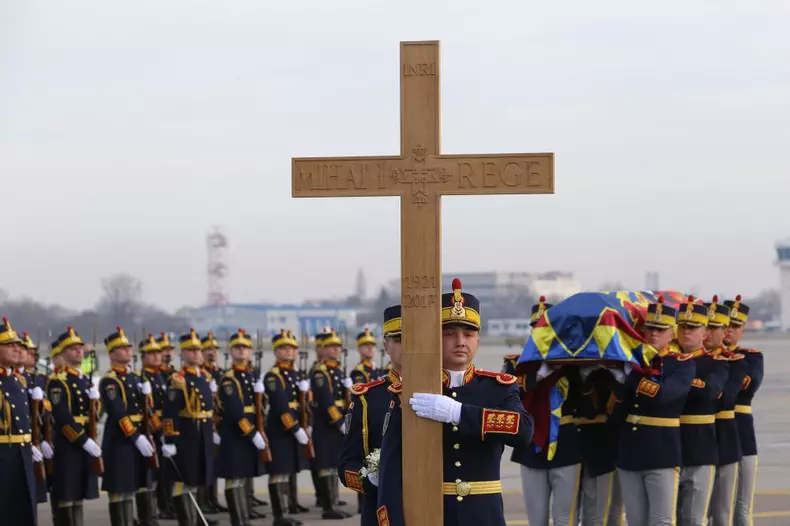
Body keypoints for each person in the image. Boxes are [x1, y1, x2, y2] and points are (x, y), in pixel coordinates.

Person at [376, 278, 534, 526]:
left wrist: (459, 413)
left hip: (485, 515)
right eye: (449, 334)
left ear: (478, 341)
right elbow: (390, 469)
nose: (460, 341)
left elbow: (523, 431)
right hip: (432, 514)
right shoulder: (409, 392)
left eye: (469, 334)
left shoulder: (498, 388)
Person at [616, 296, 696, 526]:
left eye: (660, 330)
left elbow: (663, 395)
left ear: (671, 334)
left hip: (661, 451)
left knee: (661, 520)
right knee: (635, 520)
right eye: (650, 328)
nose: (653, 334)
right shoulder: (633, 361)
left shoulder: (682, 363)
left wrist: (631, 377)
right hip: (630, 451)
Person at [511, 296, 582, 526]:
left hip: (567, 444)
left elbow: (590, 402)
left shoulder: (575, 362)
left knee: (565, 519)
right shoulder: (516, 364)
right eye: (536, 327)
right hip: (533, 445)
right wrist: (538, 375)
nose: (540, 332)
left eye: (545, 327)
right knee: (537, 519)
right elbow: (511, 396)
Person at [338, 305, 403, 526]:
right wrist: (371, 479)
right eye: (399, 339)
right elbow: (346, 466)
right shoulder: (367, 398)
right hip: (381, 512)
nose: (409, 345)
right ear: (386, 345)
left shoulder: (447, 393)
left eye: (415, 338)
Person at [676, 297, 730, 526]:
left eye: (693, 327)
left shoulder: (717, 364)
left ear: (705, 332)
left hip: (700, 448)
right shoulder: (664, 361)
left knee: (693, 519)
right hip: (669, 449)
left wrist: (678, 382)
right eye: (682, 327)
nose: (686, 332)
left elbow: (709, 393)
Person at [98, 327, 156, 526]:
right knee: (119, 490)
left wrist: (148, 397)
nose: (128, 351)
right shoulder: (109, 381)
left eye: (128, 347)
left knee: (135, 487)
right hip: (119, 441)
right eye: (122, 348)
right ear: (112, 354)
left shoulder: (135, 377)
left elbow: (146, 411)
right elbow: (117, 412)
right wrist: (135, 436)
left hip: (138, 436)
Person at [46, 326, 101, 526]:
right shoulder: (58, 382)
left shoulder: (84, 380)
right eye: (72, 348)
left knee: (79, 492)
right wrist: (82, 440)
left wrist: (96, 402)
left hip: (85, 438)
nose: (78, 351)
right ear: (63, 353)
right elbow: (62, 417)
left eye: (79, 347)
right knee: (66, 494)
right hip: (69, 443)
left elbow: (94, 415)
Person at [161, 329, 215, 526]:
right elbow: (169, 413)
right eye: (191, 350)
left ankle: (195, 520)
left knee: (195, 482)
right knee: (182, 483)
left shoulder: (204, 378)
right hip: (185, 438)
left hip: (202, 435)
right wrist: (169, 440)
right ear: (182, 354)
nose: (196, 354)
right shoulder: (178, 380)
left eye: (198, 350)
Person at [216, 328, 270, 526]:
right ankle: (237, 519)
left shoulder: (251, 375)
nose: (242, 351)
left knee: (244, 475)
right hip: (235, 434)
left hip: (250, 432)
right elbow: (234, 412)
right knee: (235, 478)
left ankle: (245, 516)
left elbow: (259, 408)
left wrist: (262, 395)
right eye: (237, 348)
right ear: (231, 352)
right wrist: (252, 432)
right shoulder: (229, 379)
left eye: (245, 348)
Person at [707, 297, 749, 526]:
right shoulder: (690, 361)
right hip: (693, 439)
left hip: (724, 436)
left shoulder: (738, 361)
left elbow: (726, 398)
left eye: (716, 328)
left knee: (724, 513)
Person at [263, 329, 311, 526]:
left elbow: (302, 404)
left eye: (291, 349)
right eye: (283, 349)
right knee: (278, 472)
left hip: (294, 427)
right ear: (276, 351)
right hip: (280, 430)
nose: (288, 352)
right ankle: (278, 514)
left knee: (288, 471)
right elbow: (281, 406)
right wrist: (296, 428)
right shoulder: (273, 376)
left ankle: (286, 510)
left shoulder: (295, 374)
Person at [723, 296, 763, 526]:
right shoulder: (703, 359)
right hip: (714, 435)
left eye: (735, 326)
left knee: (742, 508)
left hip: (743, 436)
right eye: (725, 325)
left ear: (742, 329)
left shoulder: (752, 357)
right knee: (715, 509)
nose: (730, 331)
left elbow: (748, 383)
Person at [310, 329, 354, 519]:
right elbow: (327, 402)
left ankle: (334, 503)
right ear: (324, 349)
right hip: (325, 426)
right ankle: (328, 506)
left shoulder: (336, 371)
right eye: (331, 347)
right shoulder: (321, 373)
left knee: (334, 465)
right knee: (326, 465)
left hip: (336, 425)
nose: (335, 350)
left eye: (337, 347)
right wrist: (339, 421)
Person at [0, 317, 39, 526]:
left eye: (17, 344)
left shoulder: (19, 380)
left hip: (22, 455)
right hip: (3, 458)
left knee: (24, 512)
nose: (17, 349)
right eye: (9, 345)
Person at [19, 331, 53, 508]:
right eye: (29, 352)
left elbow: (46, 412)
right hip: (21, 440)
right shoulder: (16, 379)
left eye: (34, 353)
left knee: (34, 495)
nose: (32, 356)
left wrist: (44, 439)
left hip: (36, 436)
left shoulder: (39, 379)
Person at [199, 332, 229, 518]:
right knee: (205, 463)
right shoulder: (200, 373)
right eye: (207, 349)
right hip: (206, 423)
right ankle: (203, 501)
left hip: (220, 423)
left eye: (214, 349)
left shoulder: (220, 373)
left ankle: (213, 499)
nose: (211, 353)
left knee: (216, 463)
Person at [152, 332, 177, 520]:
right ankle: (161, 506)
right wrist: (158, 427)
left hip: (172, 425)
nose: (167, 354)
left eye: (169, 350)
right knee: (159, 471)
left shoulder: (174, 374)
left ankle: (170, 504)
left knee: (171, 470)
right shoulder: (155, 375)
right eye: (163, 350)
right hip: (157, 426)